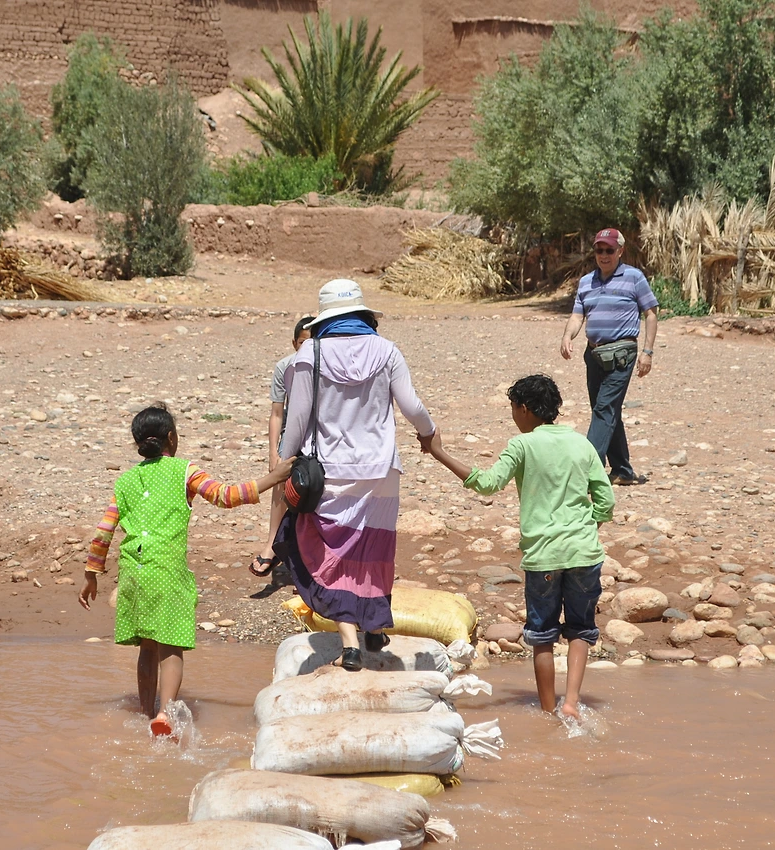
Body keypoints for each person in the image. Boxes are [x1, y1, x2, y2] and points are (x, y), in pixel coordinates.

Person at [79, 404, 293, 737]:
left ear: (138, 443)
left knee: (147, 646)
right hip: (166, 569)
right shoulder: (184, 471)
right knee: (171, 644)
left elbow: (104, 531)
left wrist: (92, 574)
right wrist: (273, 479)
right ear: (171, 438)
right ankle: (165, 713)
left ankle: (144, 709)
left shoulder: (125, 481)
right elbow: (226, 496)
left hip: (133, 572)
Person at [426, 374, 614, 722]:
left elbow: (487, 483)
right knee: (580, 630)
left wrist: (438, 452)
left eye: (513, 408)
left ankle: (547, 711)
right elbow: (605, 499)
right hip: (585, 553)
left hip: (543, 557)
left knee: (542, 636)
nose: (513, 415)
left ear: (524, 409)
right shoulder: (582, 444)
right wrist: (589, 529)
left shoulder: (522, 445)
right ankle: (570, 702)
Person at [275, 279, 436, 672]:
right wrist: (430, 434)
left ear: (325, 317)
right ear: (363, 315)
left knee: (334, 554)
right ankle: (375, 625)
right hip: (382, 471)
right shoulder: (387, 351)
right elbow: (412, 406)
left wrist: (282, 464)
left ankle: (350, 644)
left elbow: (296, 421)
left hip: (331, 473)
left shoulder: (309, 355)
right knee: (373, 548)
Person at [559, 228, 658, 487]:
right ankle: (623, 470)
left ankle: (586, 471)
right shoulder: (586, 282)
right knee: (605, 410)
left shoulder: (634, 277)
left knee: (604, 410)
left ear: (620, 251)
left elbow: (650, 314)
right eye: (599, 250)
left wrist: (647, 352)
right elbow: (578, 315)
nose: (603, 255)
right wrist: (567, 336)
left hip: (622, 354)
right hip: (593, 355)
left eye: (609, 250)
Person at [251, 315, 315, 581]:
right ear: (294, 343)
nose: (307, 349)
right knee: (280, 476)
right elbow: (277, 413)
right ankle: (271, 544)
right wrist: (272, 454)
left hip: (319, 435)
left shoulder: (326, 366)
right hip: (292, 434)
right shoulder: (285, 367)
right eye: (302, 343)